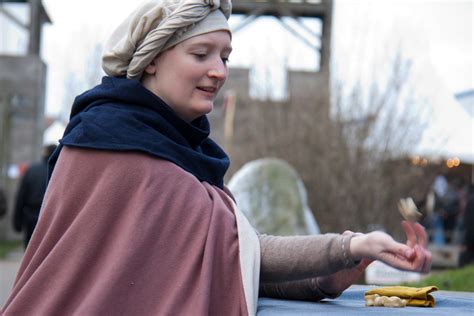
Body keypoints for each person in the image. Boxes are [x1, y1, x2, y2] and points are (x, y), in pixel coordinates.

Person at [0, 1, 431, 314]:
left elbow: (235, 256)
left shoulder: (180, 149)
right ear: (151, 60)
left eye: (224, 57)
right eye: (201, 54)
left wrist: (353, 252)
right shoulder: (119, 148)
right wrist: (348, 246)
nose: (219, 71)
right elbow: (244, 252)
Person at [12, 144, 57, 248]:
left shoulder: (32, 170)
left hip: (31, 217)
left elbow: (21, 197)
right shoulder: (61, 171)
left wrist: (17, 222)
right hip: (52, 217)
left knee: (30, 250)